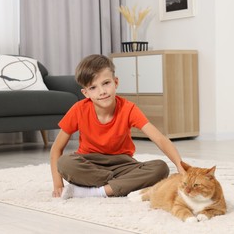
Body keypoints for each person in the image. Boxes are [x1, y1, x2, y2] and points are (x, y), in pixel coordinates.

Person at [50, 54, 185, 199]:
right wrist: (58, 185)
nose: (102, 91)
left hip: (122, 164)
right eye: (93, 87)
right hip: (90, 163)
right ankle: (120, 186)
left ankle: (96, 191)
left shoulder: (129, 109)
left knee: (160, 168)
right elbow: (56, 149)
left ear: (116, 82)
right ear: (86, 93)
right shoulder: (78, 109)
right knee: (65, 163)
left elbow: (159, 139)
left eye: (106, 83)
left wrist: (179, 165)